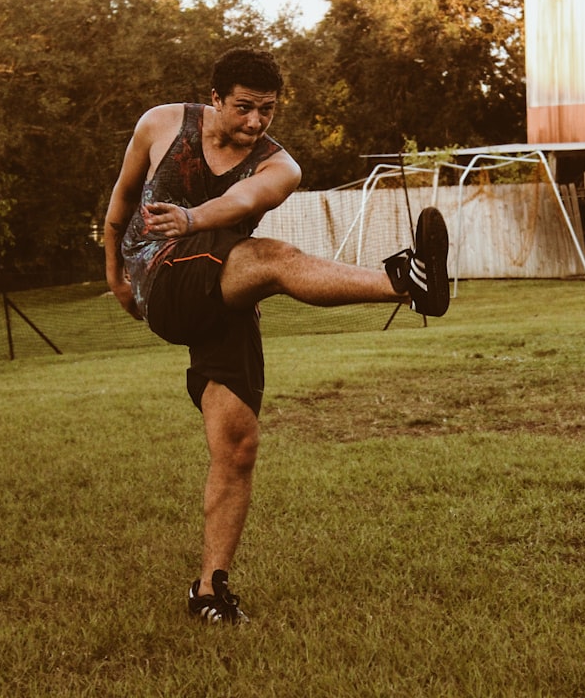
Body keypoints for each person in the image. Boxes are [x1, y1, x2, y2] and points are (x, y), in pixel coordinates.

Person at [103, 47, 449, 625]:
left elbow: (243, 201)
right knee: (275, 258)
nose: (255, 123)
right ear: (214, 98)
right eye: (243, 108)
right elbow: (119, 203)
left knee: (237, 446)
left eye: (267, 111)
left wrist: (192, 218)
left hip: (222, 282)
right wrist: (115, 275)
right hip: (160, 275)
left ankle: (209, 592)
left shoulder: (280, 167)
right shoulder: (161, 124)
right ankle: (405, 284)